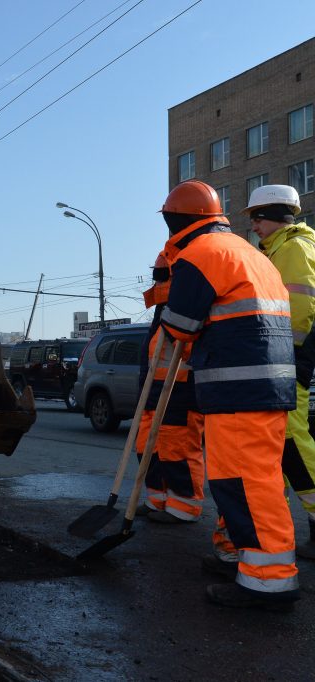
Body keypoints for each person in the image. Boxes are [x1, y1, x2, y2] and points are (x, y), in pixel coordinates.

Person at [158, 179, 299, 611]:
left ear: (175, 221)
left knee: (247, 483)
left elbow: (179, 326)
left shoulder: (198, 256)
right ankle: (241, 556)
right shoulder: (247, 252)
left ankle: (268, 582)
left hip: (239, 391)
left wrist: (166, 307)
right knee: (245, 480)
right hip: (264, 387)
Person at [246, 183, 315, 560]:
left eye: (257, 218)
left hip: (289, 359)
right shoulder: (280, 249)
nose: (254, 226)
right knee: (285, 442)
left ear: (274, 216)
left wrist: (284, 353)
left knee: (293, 440)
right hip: (286, 359)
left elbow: (299, 312)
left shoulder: (292, 249)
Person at [136, 252, 205, 524]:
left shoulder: (187, 306)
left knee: (177, 450)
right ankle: (157, 499)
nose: (157, 280)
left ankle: (184, 506)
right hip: (154, 389)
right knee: (147, 446)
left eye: (162, 274)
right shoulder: (161, 311)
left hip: (181, 389)